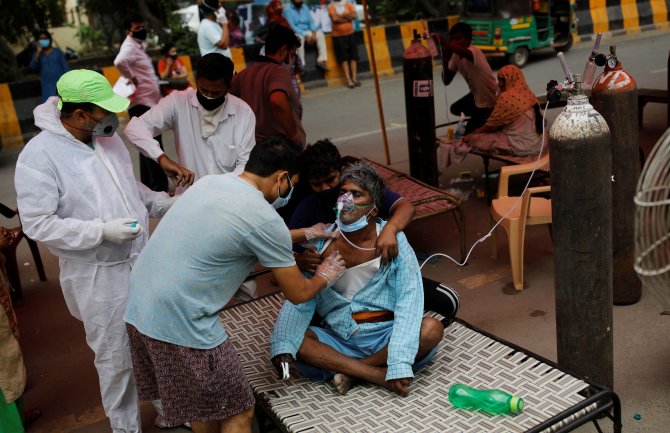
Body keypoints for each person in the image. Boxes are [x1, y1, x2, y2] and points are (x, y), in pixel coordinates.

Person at [123, 135, 347, 432]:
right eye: (291, 184)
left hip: (140, 309)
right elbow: (297, 293)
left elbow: (241, 231)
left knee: (202, 407)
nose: (289, 193)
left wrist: (305, 233)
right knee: (240, 412)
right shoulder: (264, 217)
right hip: (183, 323)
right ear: (281, 177)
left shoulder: (211, 183)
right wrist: (326, 275)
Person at [14, 69, 178, 432]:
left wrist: (159, 203)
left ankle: (169, 408)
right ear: (78, 115)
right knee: (117, 359)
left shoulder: (107, 139)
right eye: (103, 112)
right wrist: (100, 232)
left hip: (141, 261)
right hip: (99, 277)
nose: (112, 118)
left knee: (156, 340)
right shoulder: (38, 157)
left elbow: (126, 185)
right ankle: (126, 427)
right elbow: (38, 223)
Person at [270, 162, 444, 397]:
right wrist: (283, 341)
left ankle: (355, 371)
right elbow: (301, 298)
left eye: (357, 194)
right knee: (295, 341)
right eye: (343, 193)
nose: (346, 200)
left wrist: (400, 359)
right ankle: (373, 374)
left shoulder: (393, 241)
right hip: (340, 338)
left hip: (386, 336)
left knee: (431, 329)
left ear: (373, 209)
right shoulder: (320, 244)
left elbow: (409, 299)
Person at [125, 53, 255, 190]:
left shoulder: (244, 113)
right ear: (196, 81)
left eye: (216, 93)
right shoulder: (178, 103)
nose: (209, 97)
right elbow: (134, 128)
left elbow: (244, 165)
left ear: (229, 87)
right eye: (203, 91)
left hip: (229, 197)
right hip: (188, 199)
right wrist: (162, 158)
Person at [289, 140, 415, 266]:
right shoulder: (308, 207)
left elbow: (406, 207)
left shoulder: (364, 191)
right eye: (317, 184)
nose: (325, 188)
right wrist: (297, 259)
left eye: (330, 179)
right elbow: (285, 245)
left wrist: (390, 230)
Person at [114, 12, 168, 193]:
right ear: (128, 31)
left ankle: (151, 185)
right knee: (151, 144)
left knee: (147, 143)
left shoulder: (137, 46)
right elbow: (119, 61)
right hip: (141, 102)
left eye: (142, 27)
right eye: (137, 28)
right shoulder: (129, 46)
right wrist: (132, 78)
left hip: (149, 101)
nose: (142, 30)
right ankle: (158, 186)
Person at [230, 24, 306, 147]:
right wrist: (294, 136)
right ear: (283, 50)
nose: (292, 61)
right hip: (279, 148)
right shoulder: (278, 71)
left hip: (254, 147)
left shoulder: (244, 74)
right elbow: (278, 102)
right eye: (292, 55)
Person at [462, 65, 544, 156]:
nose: (498, 84)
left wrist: (473, 133)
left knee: (474, 139)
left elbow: (491, 127)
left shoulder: (507, 98)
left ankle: (507, 149)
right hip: (537, 145)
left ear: (509, 80)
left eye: (501, 80)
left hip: (521, 147)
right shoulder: (529, 94)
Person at [434, 22, 498, 134]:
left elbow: (452, 47)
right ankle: (480, 118)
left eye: (457, 38)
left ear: (467, 40)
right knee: (455, 108)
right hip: (476, 97)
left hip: (489, 101)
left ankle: (486, 117)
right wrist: (445, 58)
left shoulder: (474, 52)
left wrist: (444, 43)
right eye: (452, 39)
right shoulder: (455, 56)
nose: (454, 42)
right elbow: (446, 80)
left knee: (468, 134)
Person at [284, 0, 329, 71]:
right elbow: (291, 26)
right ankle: (301, 63)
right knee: (299, 39)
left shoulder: (305, 7)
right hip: (295, 32)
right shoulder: (287, 10)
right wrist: (305, 34)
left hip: (307, 30)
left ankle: (321, 60)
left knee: (320, 34)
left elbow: (311, 22)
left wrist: (314, 33)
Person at [29, 29, 69, 103]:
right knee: (49, 107)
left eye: (45, 39)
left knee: (62, 106)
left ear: (49, 39)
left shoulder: (57, 52)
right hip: (46, 85)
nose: (43, 40)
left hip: (60, 84)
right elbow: (32, 67)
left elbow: (66, 68)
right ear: (38, 41)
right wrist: (38, 52)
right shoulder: (37, 54)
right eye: (41, 39)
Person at [328, 0, 360, 88]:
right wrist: (347, 17)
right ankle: (348, 80)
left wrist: (340, 17)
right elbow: (335, 19)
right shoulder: (331, 6)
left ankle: (354, 78)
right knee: (343, 58)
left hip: (351, 33)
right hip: (338, 36)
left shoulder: (348, 4)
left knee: (353, 56)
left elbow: (354, 15)